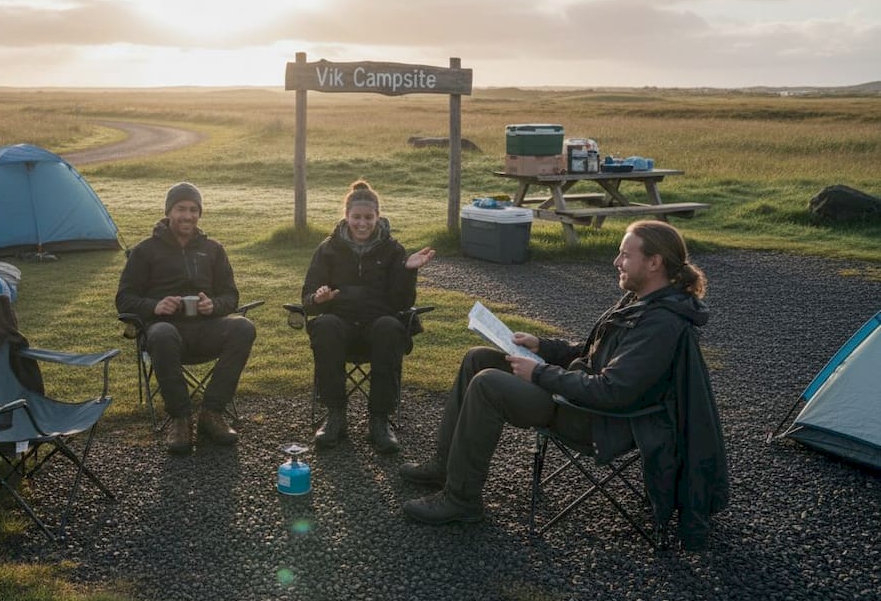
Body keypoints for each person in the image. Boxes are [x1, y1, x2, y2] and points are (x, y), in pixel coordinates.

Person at [400, 220, 728, 548]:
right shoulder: (641, 299)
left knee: (489, 384)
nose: (616, 262)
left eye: (625, 255)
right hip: (576, 393)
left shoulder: (661, 324)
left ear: (654, 262)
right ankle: (445, 466)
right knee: (478, 358)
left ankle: (461, 499)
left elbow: (611, 391)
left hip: (593, 418)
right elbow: (590, 353)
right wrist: (541, 346)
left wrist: (539, 374)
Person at [116, 182, 257, 453]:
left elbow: (231, 296)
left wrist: (213, 306)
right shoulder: (145, 250)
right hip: (166, 333)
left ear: (200, 214)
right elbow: (124, 299)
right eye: (181, 209)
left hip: (207, 329)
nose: (188, 216)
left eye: (194, 210)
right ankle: (180, 419)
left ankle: (212, 413)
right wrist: (155, 306)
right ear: (169, 211)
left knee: (243, 327)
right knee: (161, 333)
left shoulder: (213, 249)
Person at [301, 179, 435, 453]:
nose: (362, 223)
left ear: (378, 217)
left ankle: (379, 420)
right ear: (346, 216)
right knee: (325, 326)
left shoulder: (393, 250)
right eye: (356, 217)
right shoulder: (327, 248)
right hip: (340, 327)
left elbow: (402, 302)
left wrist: (408, 271)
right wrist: (318, 298)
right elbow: (307, 300)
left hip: (377, 326)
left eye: (368, 217)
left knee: (389, 327)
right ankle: (335, 416)